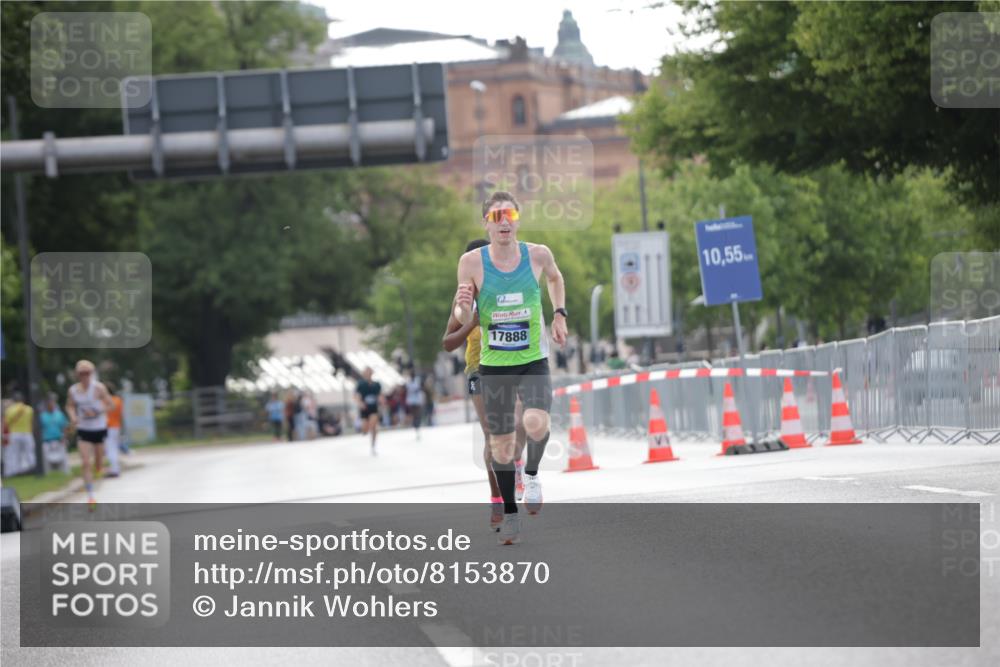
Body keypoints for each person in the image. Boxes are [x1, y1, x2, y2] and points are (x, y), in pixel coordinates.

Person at [454, 191, 568, 545]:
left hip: (532, 359)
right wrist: (461, 310)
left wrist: (559, 314)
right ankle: (511, 514)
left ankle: (531, 474)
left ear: (517, 219)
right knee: (501, 448)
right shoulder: (471, 262)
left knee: (535, 423)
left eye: (510, 214)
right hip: (494, 365)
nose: (504, 221)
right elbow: (463, 314)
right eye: (496, 216)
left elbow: (555, 278)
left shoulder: (537, 254)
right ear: (486, 223)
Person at [443, 238, 528, 531]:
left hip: (511, 365)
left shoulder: (507, 289)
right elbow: (447, 342)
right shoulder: (462, 303)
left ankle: (516, 467)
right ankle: (498, 499)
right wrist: (472, 322)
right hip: (478, 370)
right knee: (493, 434)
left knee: (520, 423)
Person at [65, 360, 114, 510]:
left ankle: (99, 470)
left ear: (91, 374)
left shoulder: (98, 388)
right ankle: (91, 496)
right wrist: (73, 417)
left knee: (98, 464)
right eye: (81, 373)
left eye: (87, 373)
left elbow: (110, 405)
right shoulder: (73, 390)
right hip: (84, 429)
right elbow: (70, 406)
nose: (84, 376)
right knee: (85, 462)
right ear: (77, 375)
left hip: (99, 427)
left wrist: (97, 411)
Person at [2, 392, 35, 477]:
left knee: (13, 454)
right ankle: (33, 468)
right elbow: (31, 422)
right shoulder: (29, 409)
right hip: (27, 433)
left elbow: (7, 423)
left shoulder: (9, 410)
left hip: (14, 434)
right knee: (29, 453)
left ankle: (12, 472)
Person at [39, 394, 71, 474]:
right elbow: (39, 429)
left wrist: (64, 437)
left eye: (53, 403)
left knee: (63, 457)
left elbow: (65, 427)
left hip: (59, 439)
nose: (51, 405)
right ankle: (47, 472)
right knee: (45, 459)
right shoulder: (42, 416)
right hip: (47, 440)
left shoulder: (59, 414)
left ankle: (65, 472)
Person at [355, 368, 382, 456]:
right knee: (365, 429)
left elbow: (379, 395)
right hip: (364, 409)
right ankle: (365, 430)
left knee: (374, 426)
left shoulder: (377, 384)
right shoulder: (361, 384)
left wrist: (381, 402)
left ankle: (373, 445)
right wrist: (360, 403)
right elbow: (357, 395)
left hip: (374, 408)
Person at [104, 383, 124, 477]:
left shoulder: (106, 401)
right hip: (116, 426)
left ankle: (114, 469)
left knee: (110, 449)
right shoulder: (118, 400)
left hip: (108, 427)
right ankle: (116, 468)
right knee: (114, 448)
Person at [404, 370, 425, 441]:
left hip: (417, 401)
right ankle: (415, 426)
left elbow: (420, 388)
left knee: (417, 415)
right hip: (412, 401)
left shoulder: (417, 381)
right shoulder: (408, 382)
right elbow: (407, 390)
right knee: (414, 415)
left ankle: (417, 426)